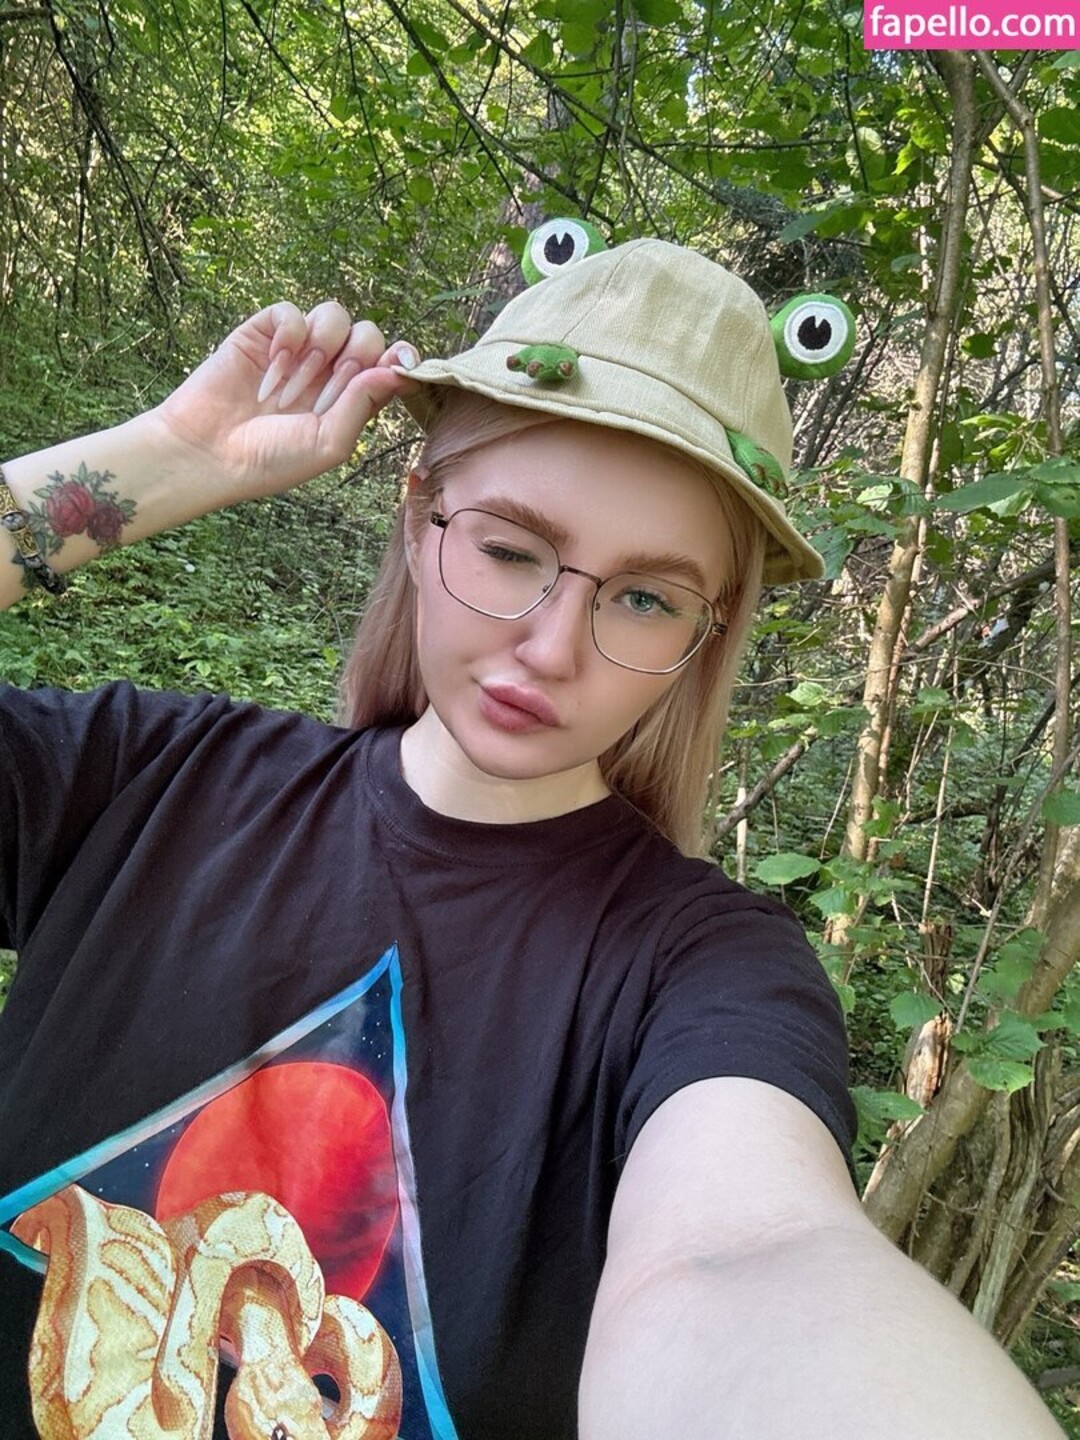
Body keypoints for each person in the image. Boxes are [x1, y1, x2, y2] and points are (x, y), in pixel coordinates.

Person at [0, 236, 1062, 1440]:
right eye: (510, 550)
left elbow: (750, 1254)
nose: (551, 648)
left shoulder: (704, 972)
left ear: (703, 636)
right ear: (419, 521)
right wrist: (168, 459)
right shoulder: (143, 782)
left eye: (645, 597)